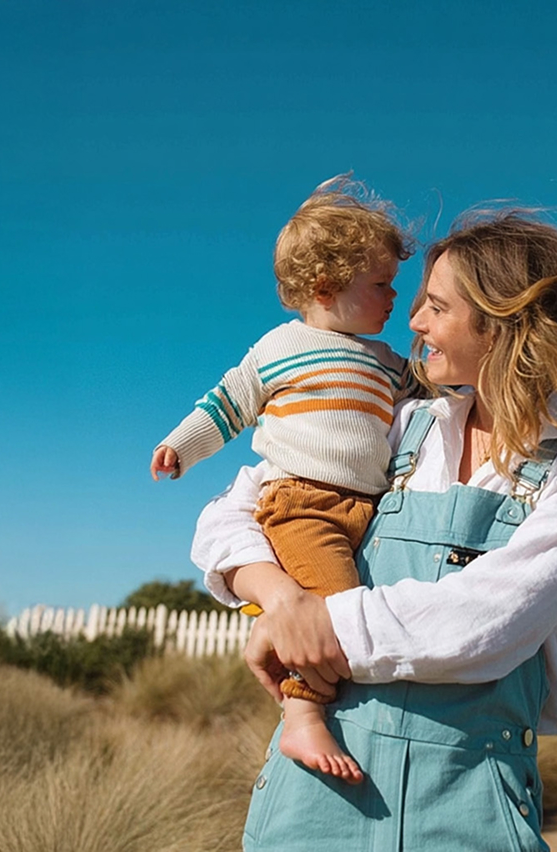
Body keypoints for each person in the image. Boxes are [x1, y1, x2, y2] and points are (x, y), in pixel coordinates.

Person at [192, 210, 557, 851]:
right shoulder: (397, 422)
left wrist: (316, 627)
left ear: (503, 324)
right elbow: (232, 510)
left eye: (437, 307)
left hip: (473, 805)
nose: (414, 323)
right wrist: (282, 601)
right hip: (314, 787)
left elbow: (488, 622)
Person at [151, 176, 414, 782]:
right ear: (325, 287)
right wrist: (180, 447)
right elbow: (228, 402)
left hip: (368, 508)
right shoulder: (280, 347)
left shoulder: (387, 362)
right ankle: (302, 719)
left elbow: (434, 398)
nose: (394, 296)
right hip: (304, 505)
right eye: (380, 285)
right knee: (332, 614)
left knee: (346, 610)